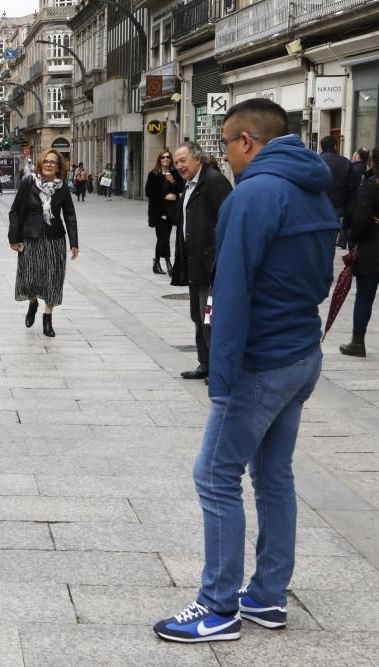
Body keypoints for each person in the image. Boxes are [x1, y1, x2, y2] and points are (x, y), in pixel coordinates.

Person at [154, 98, 339, 643]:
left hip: (261, 359)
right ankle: (266, 597)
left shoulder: (254, 194)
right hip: (301, 351)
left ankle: (217, 606)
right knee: (273, 475)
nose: (226, 157)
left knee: (214, 475)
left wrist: (222, 377)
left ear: (247, 143)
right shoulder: (314, 188)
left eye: (226, 146)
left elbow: (229, 293)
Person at [171, 141, 232, 380]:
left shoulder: (214, 182)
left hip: (211, 264)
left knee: (211, 319)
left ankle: (218, 368)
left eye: (183, 161)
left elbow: (228, 219)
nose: (179, 166)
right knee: (198, 316)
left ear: (198, 159)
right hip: (195, 262)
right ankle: (204, 363)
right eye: (177, 162)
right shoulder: (190, 185)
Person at [7, 149, 79, 337]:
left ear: (58, 167)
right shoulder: (28, 183)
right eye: (46, 161)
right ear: (40, 163)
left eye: (53, 162)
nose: (48, 164)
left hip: (55, 237)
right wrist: (14, 239)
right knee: (29, 277)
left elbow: (69, 214)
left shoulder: (62, 187)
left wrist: (74, 242)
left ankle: (48, 318)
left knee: (53, 278)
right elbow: (15, 211)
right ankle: (33, 303)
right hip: (30, 235)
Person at [340, 147, 379, 357]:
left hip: (372, 249)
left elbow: (361, 220)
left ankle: (357, 341)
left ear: (372, 162)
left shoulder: (370, 187)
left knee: (365, 296)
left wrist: (353, 238)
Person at [144, 150, 183, 275]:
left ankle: (156, 263)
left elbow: (180, 189)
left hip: (171, 211)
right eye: (163, 157)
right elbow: (148, 192)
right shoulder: (154, 174)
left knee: (163, 238)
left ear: (171, 159)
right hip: (158, 211)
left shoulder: (175, 173)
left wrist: (172, 182)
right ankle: (167, 262)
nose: (165, 159)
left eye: (168, 157)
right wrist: (164, 196)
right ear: (159, 160)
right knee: (163, 238)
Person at [319, 135, 357, 248]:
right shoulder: (345, 162)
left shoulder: (314, 160)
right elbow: (352, 188)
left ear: (322, 147)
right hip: (338, 207)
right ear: (335, 146)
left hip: (317, 205)